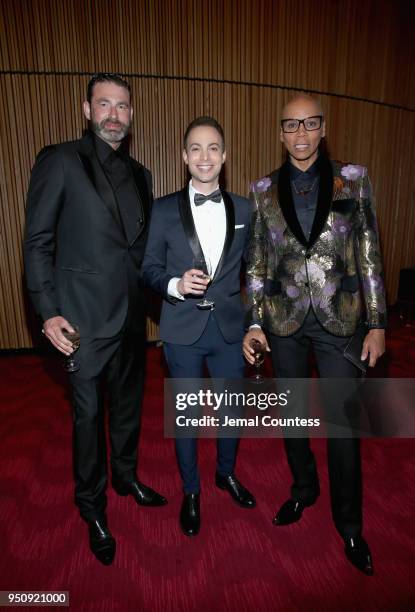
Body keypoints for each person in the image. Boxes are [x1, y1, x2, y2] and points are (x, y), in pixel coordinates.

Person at [23, 73, 167, 566]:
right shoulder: (60, 161)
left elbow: (142, 252)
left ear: (131, 114)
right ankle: (92, 507)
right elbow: (38, 241)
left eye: (122, 106)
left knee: (128, 408)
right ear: (87, 110)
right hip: (80, 322)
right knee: (87, 418)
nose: (113, 114)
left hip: (131, 319)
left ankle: (125, 478)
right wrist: (48, 312)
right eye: (104, 104)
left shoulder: (143, 174)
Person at [243, 94, 386, 575]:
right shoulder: (263, 190)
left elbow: (369, 255)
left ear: (323, 128)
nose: (301, 134)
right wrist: (255, 321)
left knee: (345, 428)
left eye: (310, 124)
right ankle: (303, 490)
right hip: (283, 324)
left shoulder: (354, 179)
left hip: (341, 320)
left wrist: (378, 322)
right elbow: (258, 263)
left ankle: (349, 525)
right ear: (280, 132)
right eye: (291, 125)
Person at [142, 116, 256, 537]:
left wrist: (256, 323)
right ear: (184, 156)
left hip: (230, 331)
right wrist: (174, 283)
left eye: (213, 148)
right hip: (182, 330)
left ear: (224, 157)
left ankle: (225, 474)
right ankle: (191, 491)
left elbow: (257, 272)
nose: (204, 157)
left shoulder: (245, 209)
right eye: (195, 148)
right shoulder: (161, 209)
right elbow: (148, 268)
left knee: (231, 412)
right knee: (187, 418)